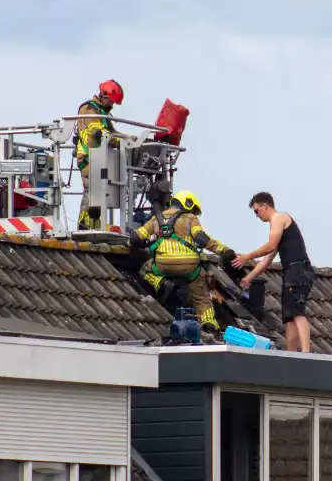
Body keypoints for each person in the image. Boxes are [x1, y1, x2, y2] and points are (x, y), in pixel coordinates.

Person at [132, 190, 236, 338]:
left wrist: (131, 244)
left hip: (162, 265)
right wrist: (224, 250)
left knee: (144, 270)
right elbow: (201, 238)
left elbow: (136, 237)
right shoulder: (190, 218)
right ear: (188, 204)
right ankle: (210, 325)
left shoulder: (156, 219)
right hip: (190, 268)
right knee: (201, 297)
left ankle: (161, 284)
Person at [231, 192, 314, 352]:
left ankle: (306, 353)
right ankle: (291, 354)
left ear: (265, 206)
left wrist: (247, 256)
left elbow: (270, 245)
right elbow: (266, 260)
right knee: (289, 317)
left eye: (256, 211)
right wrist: (248, 278)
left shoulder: (279, 218)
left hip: (299, 270)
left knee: (297, 312)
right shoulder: (279, 230)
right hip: (291, 271)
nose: (257, 215)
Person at [74, 79, 124, 230]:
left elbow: (112, 133)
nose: (112, 105)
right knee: (92, 192)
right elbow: (99, 133)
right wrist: (119, 142)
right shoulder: (89, 109)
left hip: (100, 159)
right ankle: (84, 227)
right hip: (89, 159)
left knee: (100, 194)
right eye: (111, 101)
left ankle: (94, 228)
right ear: (104, 94)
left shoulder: (102, 114)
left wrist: (131, 140)